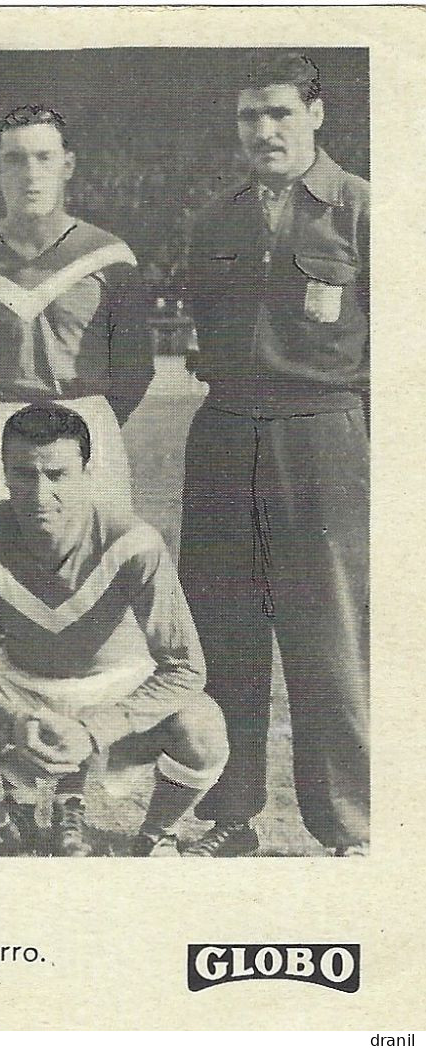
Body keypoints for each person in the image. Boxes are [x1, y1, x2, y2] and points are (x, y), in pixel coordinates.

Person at [179, 53, 369, 857]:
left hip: (320, 431)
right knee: (221, 630)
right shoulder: (213, 218)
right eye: (248, 118)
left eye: (279, 114)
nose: (263, 131)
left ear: (316, 115)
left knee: (328, 637)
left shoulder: (361, 210)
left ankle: (348, 825)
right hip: (225, 430)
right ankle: (230, 813)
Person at [0, 404, 229, 857]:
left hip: (110, 687)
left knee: (203, 727)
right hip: (19, 689)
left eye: (57, 475)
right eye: (24, 474)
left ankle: (156, 834)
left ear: (87, 471)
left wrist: (97, 729)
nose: (41, 494)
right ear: (3, 472)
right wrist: (13, 720)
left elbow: (184, 667)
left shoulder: (133, 542)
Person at [0, 105, 152, 531]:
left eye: (43, 157)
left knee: (89, 571)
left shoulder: (111, 258)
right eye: (14, 159)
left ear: (67, 165)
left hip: (83, 429)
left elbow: (136, 369)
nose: (29, 172)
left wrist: (85, 424)